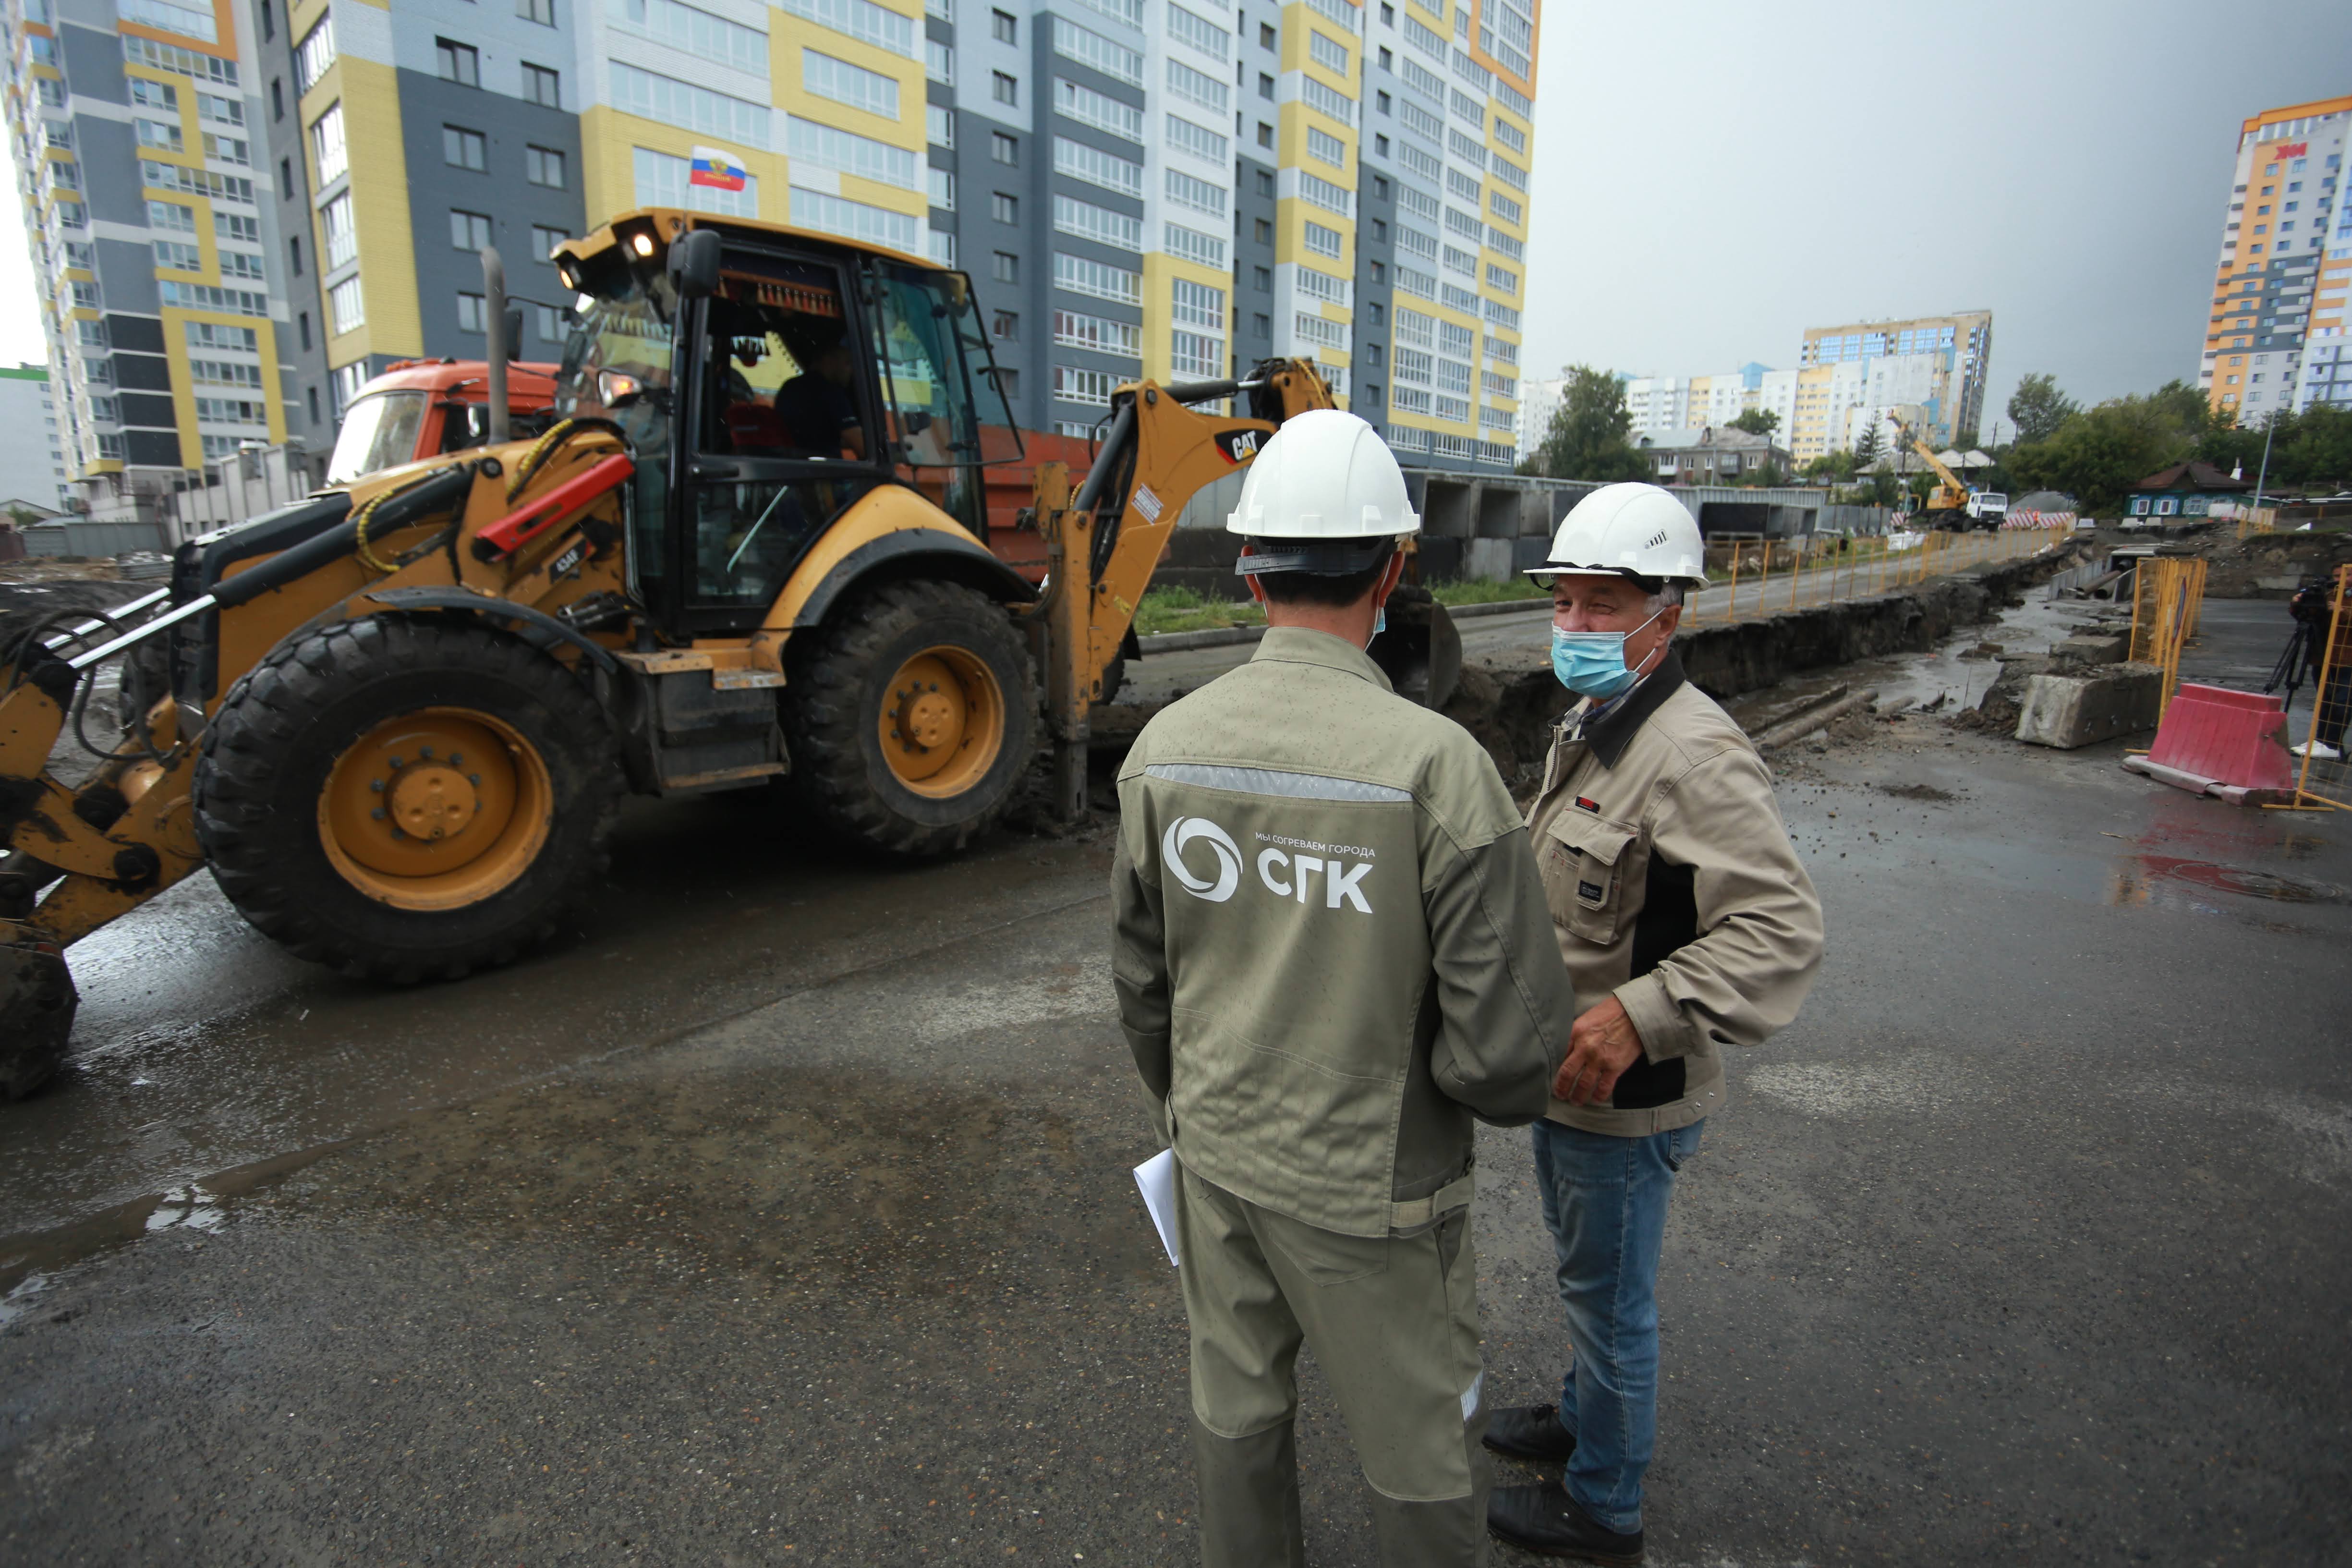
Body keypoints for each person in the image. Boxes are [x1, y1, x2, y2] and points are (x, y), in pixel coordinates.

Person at [1110, 409, 1577, 1567]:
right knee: (1417, 1456)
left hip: (1218, 1153)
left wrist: (1190, 1099)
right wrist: (1437, 1090)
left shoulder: (1163, 749)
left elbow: (1142, 982)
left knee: (1235, 1412)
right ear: (1392, 571)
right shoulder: (1437, 768)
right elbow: (1510, 1052)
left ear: (1250, 568)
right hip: (1376, 1184)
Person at [1486, 484, 1825, 1566]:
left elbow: (1777, 928)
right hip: (1569, 1078)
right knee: (1585, 1281)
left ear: (1665, 615)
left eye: (1602, 605)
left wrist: (1641, 1016)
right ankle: (1583, 1419)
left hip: (1625, 1097)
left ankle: (1605, 1508)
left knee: (1611, 1302)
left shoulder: (1690, 753)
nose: (1574, 625)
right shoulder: (1600, 724)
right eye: (1564, 602)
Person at [772, 327, 866, 459]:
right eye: (848, 363)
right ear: (829, 360)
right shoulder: (831, 392)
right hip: (825, 469)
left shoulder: (790, 387)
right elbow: (863, 448)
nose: (851, 371)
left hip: (792, 465)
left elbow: (816, 437)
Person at [2288, 566, 2351, 761]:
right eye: (2336, 576)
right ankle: (2322, 741)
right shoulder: (2328, 594)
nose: (2341, 579)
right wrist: (2299, 605)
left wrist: (2342, 611)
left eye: (2347, 575)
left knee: (2341, 703)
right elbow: (2307, 618)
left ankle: (2332, 745)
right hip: (2323, 656)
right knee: (2325, 702)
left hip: (2347, 660)